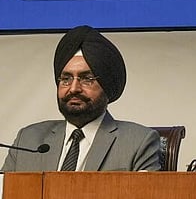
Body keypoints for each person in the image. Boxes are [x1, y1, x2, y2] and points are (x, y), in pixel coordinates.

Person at [2, 25, 160, 172]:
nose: (74, 88)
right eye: (66, 79)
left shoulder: (138, 142)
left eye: (87, 79)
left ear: (106, 85)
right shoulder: (28, 139)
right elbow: (3, 197)